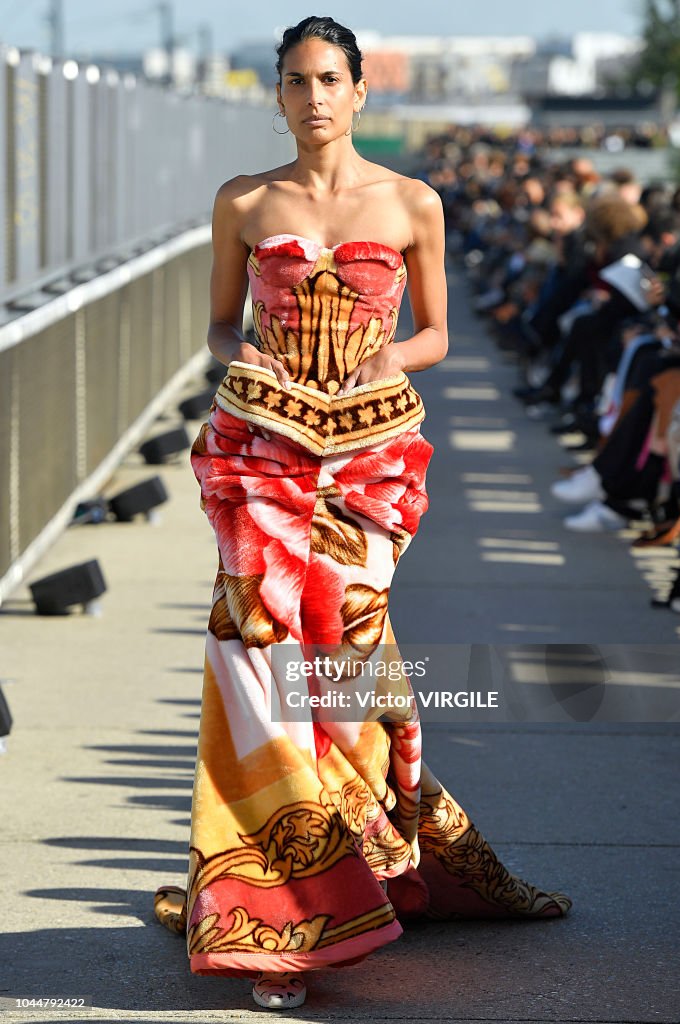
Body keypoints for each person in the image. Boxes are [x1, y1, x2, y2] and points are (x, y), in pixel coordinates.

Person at [153, 16, 571, 1011]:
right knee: (256, 657)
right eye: (295, 82)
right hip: (263, 454)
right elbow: (218, 322)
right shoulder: (243, 201)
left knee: (344, 654)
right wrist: (239, 350)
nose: (313, 98)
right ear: (278, 92)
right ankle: (282, 914)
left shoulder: (411, 201)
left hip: (370, 459)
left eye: (329, 80)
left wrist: (391, 356)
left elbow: (433, 332)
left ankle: (370, 863)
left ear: (357, 90)